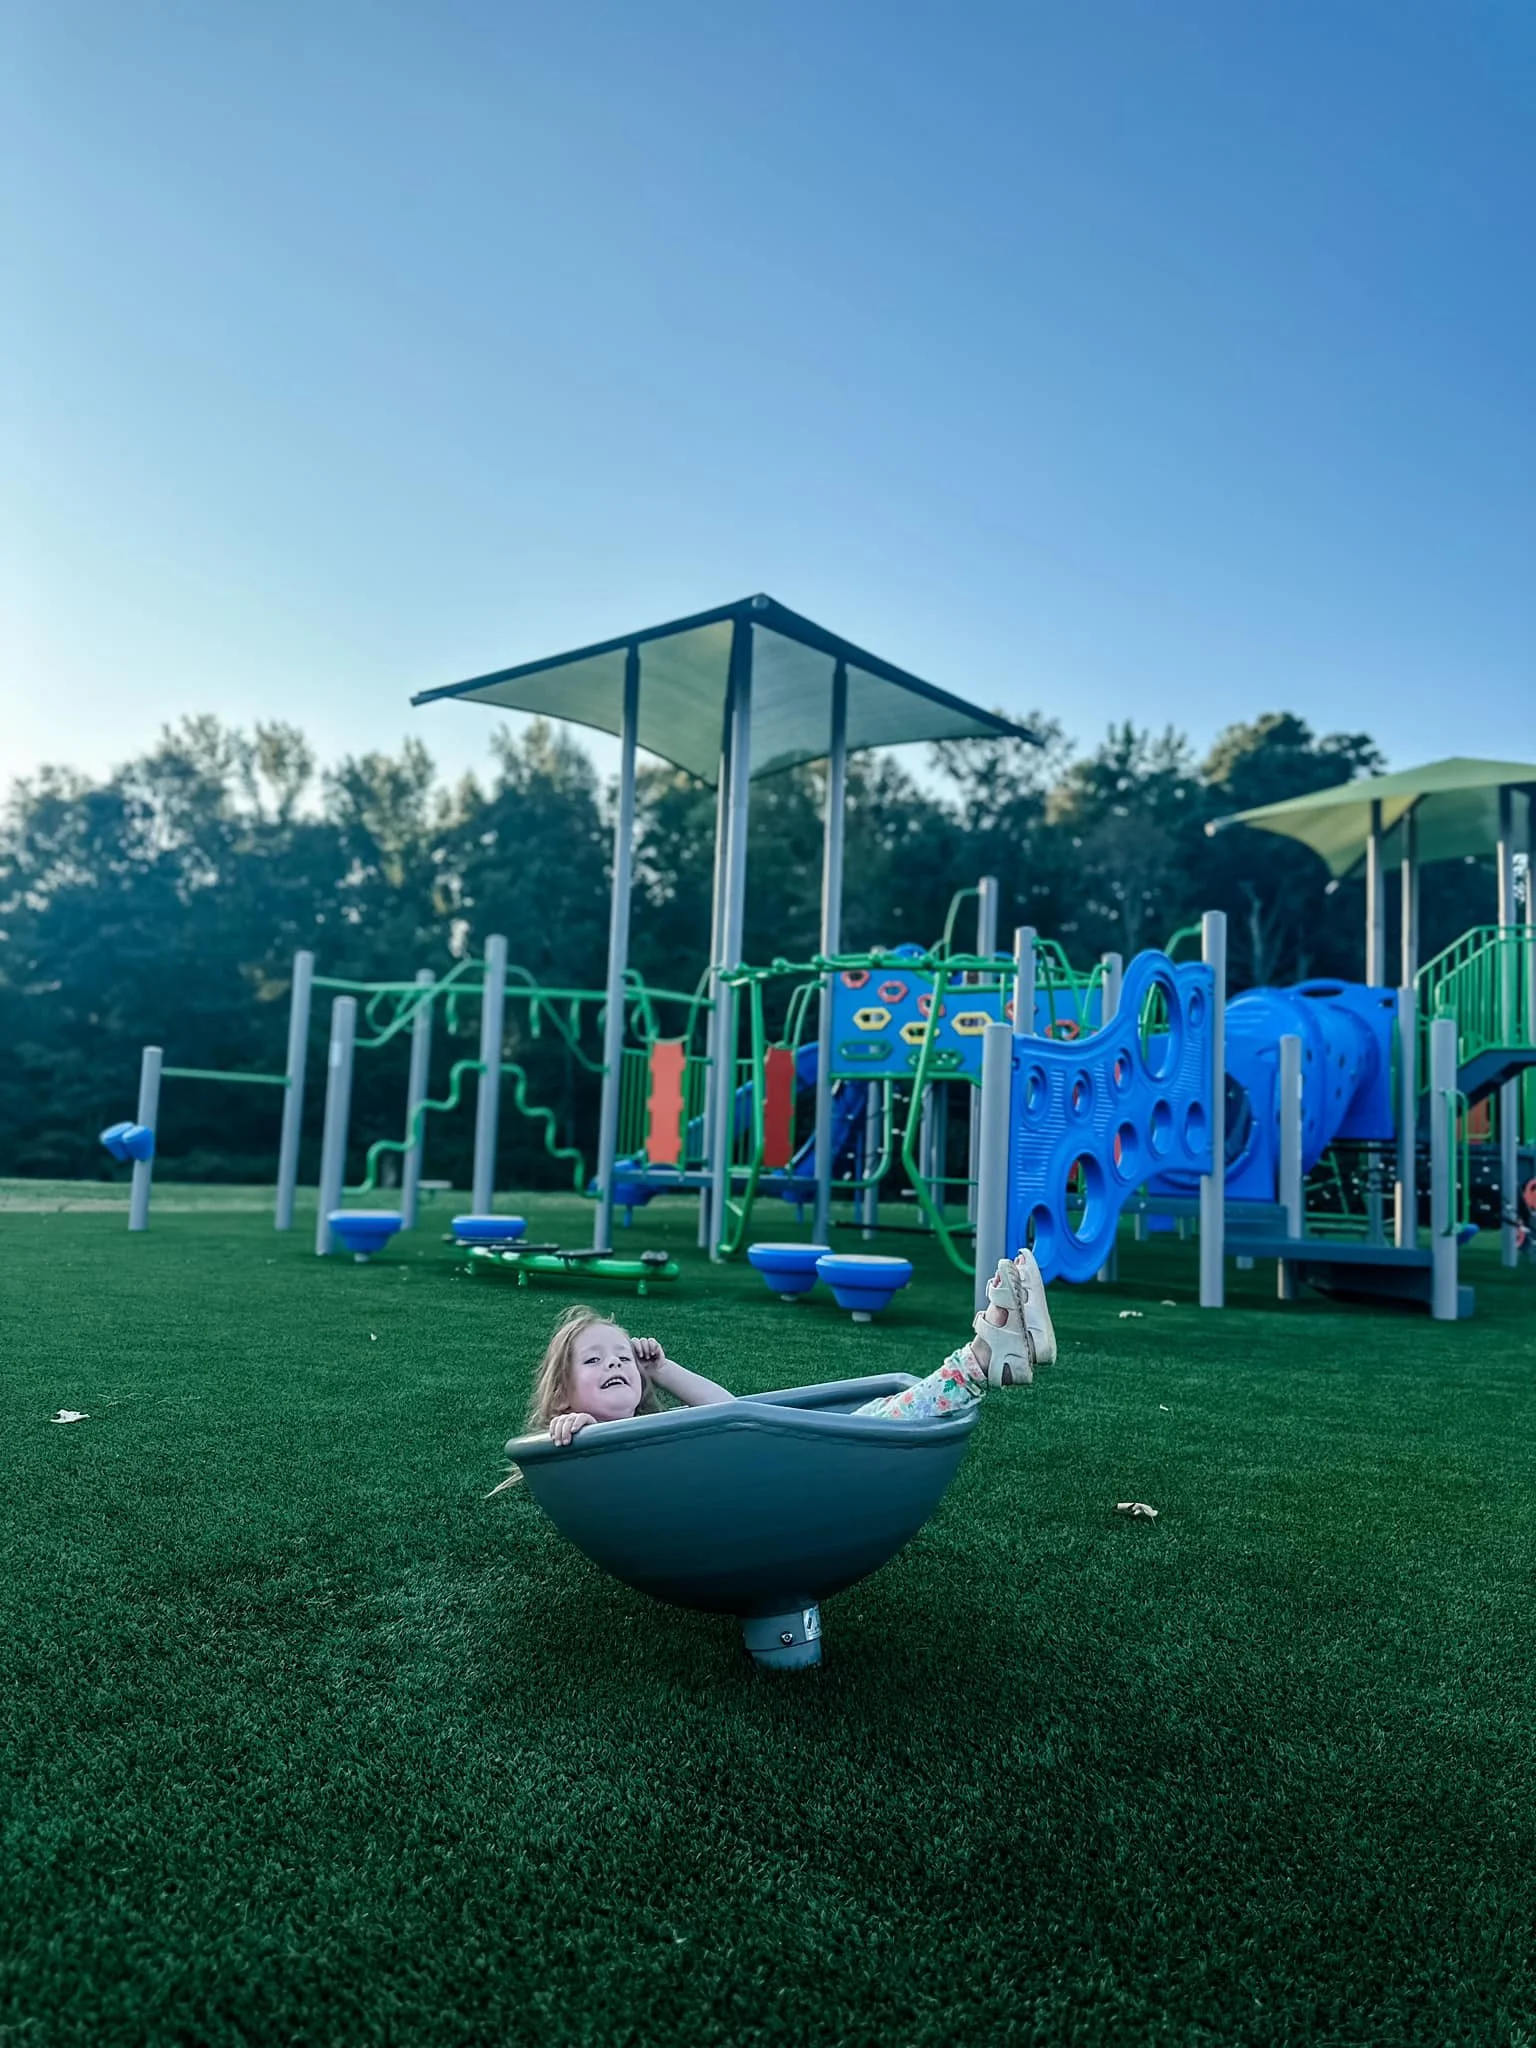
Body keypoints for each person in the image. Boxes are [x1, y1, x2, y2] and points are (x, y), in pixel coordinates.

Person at [488, 1251, 1056, 1492]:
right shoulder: (585, 1440)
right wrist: (574, 1427)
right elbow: (565, 1446)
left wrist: (664, 1369)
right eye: (594, 1360)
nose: (614, 1362)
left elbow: (730, 1410)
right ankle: (986, 1355)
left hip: (768, 1472)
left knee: (877, 1415)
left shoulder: (653, 1428)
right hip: (769, 1486)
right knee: (878, 1422)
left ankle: (992, 1351)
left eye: (621, 1356)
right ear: (563, 1395)